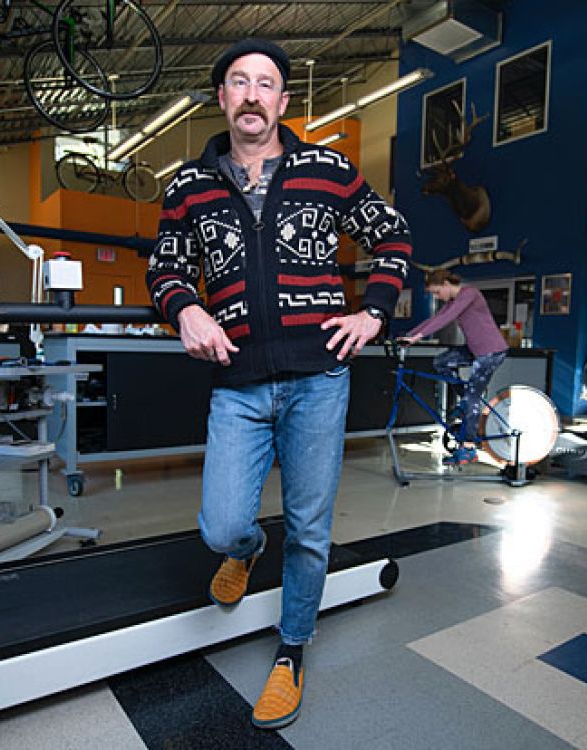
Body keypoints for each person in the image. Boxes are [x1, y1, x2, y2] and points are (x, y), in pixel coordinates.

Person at [146, 37, 411, 729]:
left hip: (319, 377)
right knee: (223, 523)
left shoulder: (326, 167)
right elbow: (164, 270)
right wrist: (187, 307)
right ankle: (245, 550)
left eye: (267, 83)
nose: (254, 94)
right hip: (238, 380)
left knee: (310, 527)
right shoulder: (188, 186)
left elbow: (393, 237)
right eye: (240, 82)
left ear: (283, 101)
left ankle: (291, 652)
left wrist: (374, 311)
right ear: (223, 98)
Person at [400, 269, 509, 465]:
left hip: (492, 352)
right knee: (440, 362)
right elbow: (434, 319)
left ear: (446, 284)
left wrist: (419, 337)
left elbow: (446, 318)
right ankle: (465, 402)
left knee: (472, 398)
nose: (437, 297)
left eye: (437, 292)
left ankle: (468, 448)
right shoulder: (452, 302)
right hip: (476, 351)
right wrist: (409, 335)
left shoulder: (470, 294)